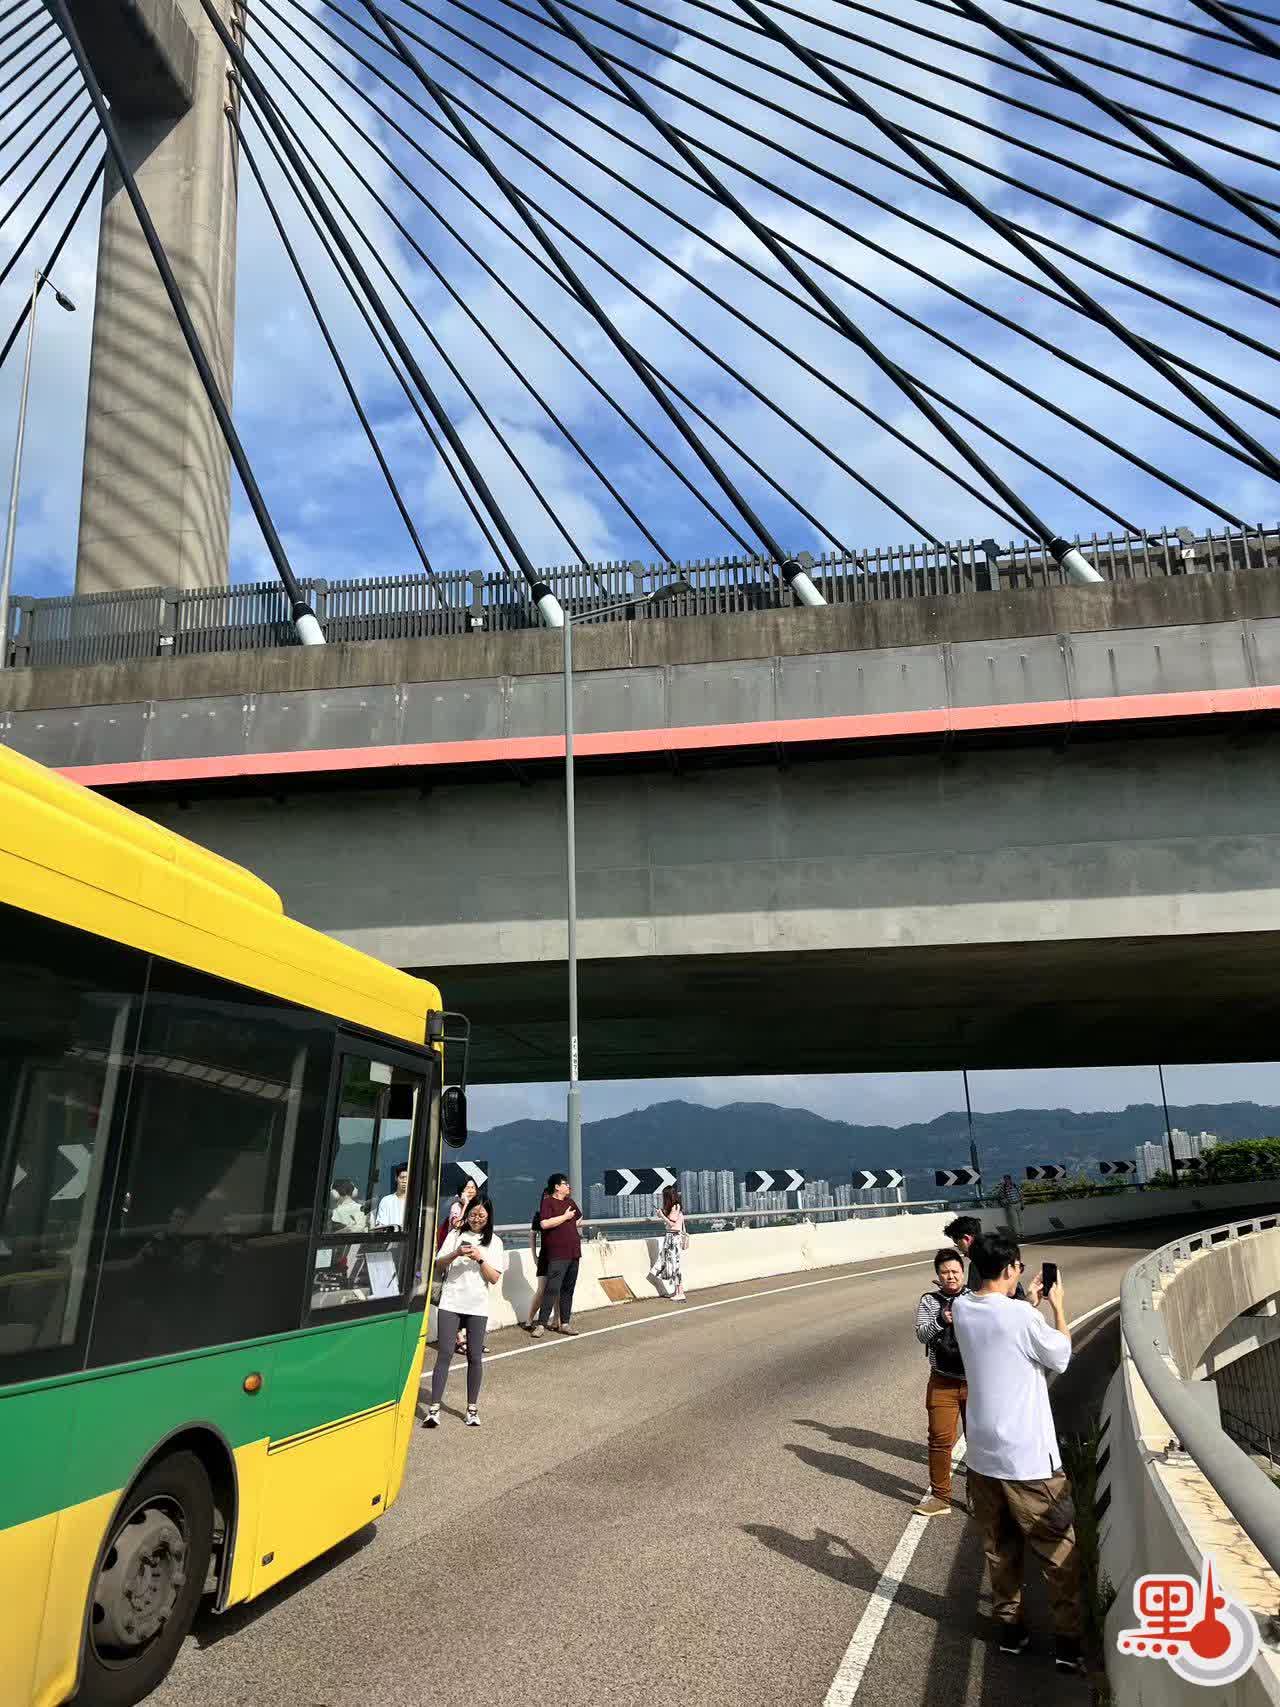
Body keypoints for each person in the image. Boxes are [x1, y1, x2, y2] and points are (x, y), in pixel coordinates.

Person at [952, 1231, 1083, 1674]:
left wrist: (1026, 1302)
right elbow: (1061, 1355)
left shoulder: (962, 1308)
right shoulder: (1022, 1318)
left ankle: (1011, 1632)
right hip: (1029, 1461)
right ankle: (1068, 1644)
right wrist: (1056, 1307)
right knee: (1059, 1552)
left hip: (982, 1458)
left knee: (1000, 1548)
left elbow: (1001, 1322)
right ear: (1010, 1268)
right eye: (1019, 1267)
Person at [423, 1196, 505, 1428]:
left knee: (474, 1357)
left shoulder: (495, 1242)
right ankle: (434, 1409)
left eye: (481, 1215)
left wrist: (480, 1259)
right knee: (445, 1353)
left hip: (477, 1305)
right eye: (473, 1214)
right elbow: (438, 1264)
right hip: (451, 1301)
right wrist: (457, 1253)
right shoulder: (455, 1235)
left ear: (489, 1217)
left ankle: (472, 1409)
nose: (476, 1219)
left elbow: (494, 1277)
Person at [912, 1246, 969, 1517]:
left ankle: (977, 1496)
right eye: (945, 1272)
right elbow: (921, 1335)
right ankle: (940, 1497)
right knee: (939, 1439)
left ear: (963, 1272)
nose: (951, 1276)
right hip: (942, 1381)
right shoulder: (929, 1301)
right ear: (938, 1275)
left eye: (955, 1271)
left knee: (979, 1440)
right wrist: (940, 1319)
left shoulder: (975, 1297)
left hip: (975, 1382)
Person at [532, 1172, 582, 1338]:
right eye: (565, 1184)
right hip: (558, 1254)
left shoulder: (570, 1202)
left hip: (574, 1252)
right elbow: (544, 1223)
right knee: (552, 1289)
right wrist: (565, 1217)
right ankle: (541, 1324)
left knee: (568, 1289)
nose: (568, 1186)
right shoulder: (548, 1202)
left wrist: (570, 1225)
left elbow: (579, 1218)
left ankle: (565, 1323)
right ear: (557, 1187)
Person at [945, 1214, 1025, 1301]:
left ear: (966, 1239)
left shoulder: (982, 1263)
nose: (959, 1249)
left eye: (957, 1244)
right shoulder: (990, 1258)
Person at [524, 1205, 560, 1332]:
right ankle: (529, 1321)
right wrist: (534, 1256)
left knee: (557, 1289)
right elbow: (532, 1234)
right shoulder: (540, 1214)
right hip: (544, 1257)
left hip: (560, 1256)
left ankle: (556, 1320)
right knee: (541, 1289)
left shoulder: (562, 1212)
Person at [649, 1185, 688, 1302]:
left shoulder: (676, 1206)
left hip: (673, 1238)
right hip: (671, 1237)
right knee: (672, 1265)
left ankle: (681, 1292)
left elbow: (672, 1223)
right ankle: (677, 1291)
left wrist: (662, 1216)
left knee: (675, 1266)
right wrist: (663, 1214)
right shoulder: (675, 1207)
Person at [375, 1165, 409, 1230]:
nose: (404, 1181)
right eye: (402, 1177)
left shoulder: (415, 1202)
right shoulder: (386, 1201)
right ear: (396, 1178)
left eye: (407, 1178)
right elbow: (381, 1226)